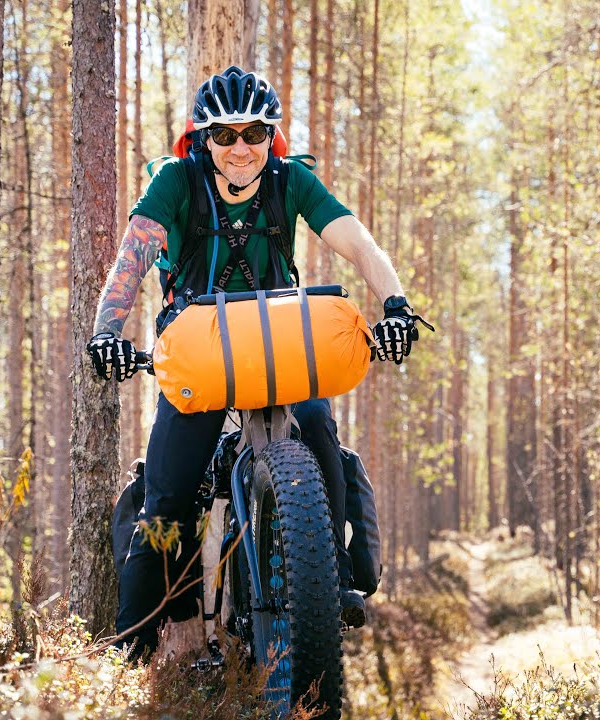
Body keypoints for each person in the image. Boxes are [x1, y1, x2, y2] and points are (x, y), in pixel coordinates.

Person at [85, 66, 427, 658]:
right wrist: (106, 332)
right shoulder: (174, 182)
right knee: (166, 498)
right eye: (224, 136)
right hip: (198, 356)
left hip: (280, 345)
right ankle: (126, 658)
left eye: (254, 134)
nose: (240, 148)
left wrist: (396, 305)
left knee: (318, 428)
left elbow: (357, 242)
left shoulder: (291, 180)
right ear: (202, 140)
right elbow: (131, 258)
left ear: (272, 137)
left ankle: (333, 581)